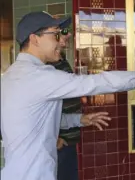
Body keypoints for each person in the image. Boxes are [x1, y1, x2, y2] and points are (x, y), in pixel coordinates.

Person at [0, 11, 135, 180]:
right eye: (56, 34)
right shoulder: (38, 77)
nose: (61, 40)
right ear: (35, 39)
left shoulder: (11, 76)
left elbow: (35, 120)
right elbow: (96, 83)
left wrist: (80, 120)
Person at [47, 30, 82, 180]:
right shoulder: (46, 65)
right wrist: (54, 137)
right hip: (60, 144)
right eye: (60, 34)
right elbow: (41, 110)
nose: (67, 37)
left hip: (68, 140)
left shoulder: (61, 60)